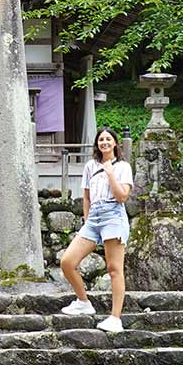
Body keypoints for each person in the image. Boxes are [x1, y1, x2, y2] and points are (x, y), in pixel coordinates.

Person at [58, 127, 133, 333]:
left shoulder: (123, 167)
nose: (105, 142)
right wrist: (86, 219)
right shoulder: (90, 166)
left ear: (115, 143)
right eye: (101, 139)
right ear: (97, 144)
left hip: (113, 215)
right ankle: (83, 302)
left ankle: (115, 318)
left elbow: (122, 197)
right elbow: (87, 196)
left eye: (108, 139)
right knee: (67, 262)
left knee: (114, 269)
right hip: (93, 218)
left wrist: (110, 173)